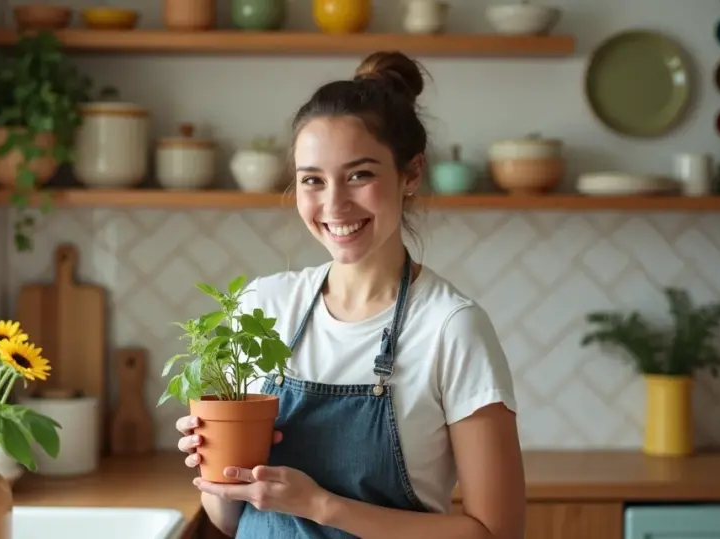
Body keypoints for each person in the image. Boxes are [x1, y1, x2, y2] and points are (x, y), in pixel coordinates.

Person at [174, 50, 526, 539]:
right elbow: (231, 521)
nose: (334, 204)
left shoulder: (450, 328)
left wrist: (322, 506)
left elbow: (497, 533)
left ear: (411, 174)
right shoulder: (263, 306)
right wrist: (217, 471)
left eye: (359, 175)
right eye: (312, 180)